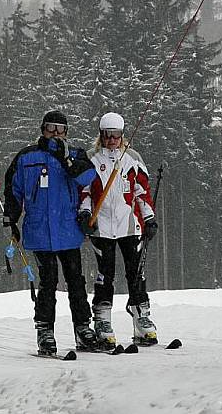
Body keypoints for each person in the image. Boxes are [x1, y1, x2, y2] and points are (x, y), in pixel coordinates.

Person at [3, 110, 98, 355]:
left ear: (67, 132)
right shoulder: (27, 157)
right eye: (50, 127)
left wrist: (67, 160)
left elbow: (89, 178)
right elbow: (13, 189)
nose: (55, 133)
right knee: (48, 282)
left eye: (60, 128)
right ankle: (45, 330)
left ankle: (83, 328)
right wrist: (11, 218)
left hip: (68, 230)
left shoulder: (76, 154)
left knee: (76, 281)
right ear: (42, 129)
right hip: (39, 230)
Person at [79, 112, 159, 349]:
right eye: (107, 135)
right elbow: (83, 191)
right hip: (101, 227)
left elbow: (141, 192)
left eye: (116, 136)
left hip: (129, 225)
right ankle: (102, 321)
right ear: (101, 136)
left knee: (136, 274)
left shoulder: (132, 158)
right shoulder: (91, 158)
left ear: (122, 136)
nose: (112, 140)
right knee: (106, 275)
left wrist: (149, 219)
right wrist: (84, 214)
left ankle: (141, 318)